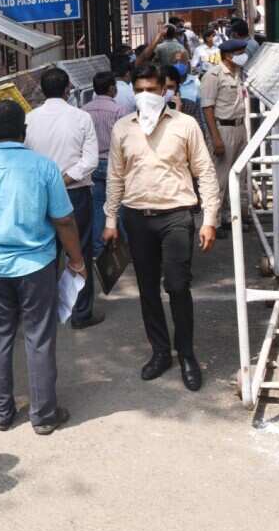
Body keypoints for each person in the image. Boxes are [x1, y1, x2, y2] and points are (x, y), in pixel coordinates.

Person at [0, 100, 84, 435]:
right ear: (24, 133)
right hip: (36, 265)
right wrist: (76, 258)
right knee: (39, 337)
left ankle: (1, 413)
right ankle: (43, 415)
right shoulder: (44, 167)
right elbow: (64, 219)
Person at [102, 65, 219, 392]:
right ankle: (159, 352)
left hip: (176, 216)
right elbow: (115, 176)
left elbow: (205, 172)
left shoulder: (185, 125)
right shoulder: (123, 128)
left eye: (152, 90)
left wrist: (209, 218)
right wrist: (110, 220)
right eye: (139, 90)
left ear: (164, 91)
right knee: (148, 288)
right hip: (137, 217)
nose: (146, 96)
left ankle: (186, 354)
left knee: (178, 286)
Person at [26, 68, 101, 329]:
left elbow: (26, 158)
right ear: (68, 88)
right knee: (79, 250)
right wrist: (64, 180)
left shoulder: (30, 119)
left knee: (46, 254)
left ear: (42, 90)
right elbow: (90, 160)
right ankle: (81, 313)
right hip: (75, 194)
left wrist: (49, 183)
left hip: (40, 196)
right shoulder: (81, 117)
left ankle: (44, 313)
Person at [200, 38, 252, 230]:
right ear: (229, 56)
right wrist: (215, 138)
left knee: (239, 175)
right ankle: (214, 222)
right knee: (220, 179)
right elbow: (207, 108)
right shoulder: (213, 76)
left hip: (239, 128)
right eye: (239, 53)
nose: (243, 56)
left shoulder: (239, 73)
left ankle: (233, 217)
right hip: (223, 129)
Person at [82, 73, 126, 259]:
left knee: (99, 205)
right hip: (113, 163)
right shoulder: (119, 111)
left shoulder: (84, 111)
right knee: (120, 205)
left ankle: (98, 249)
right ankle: (126, 247)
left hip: (92, 165)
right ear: (110, 88)